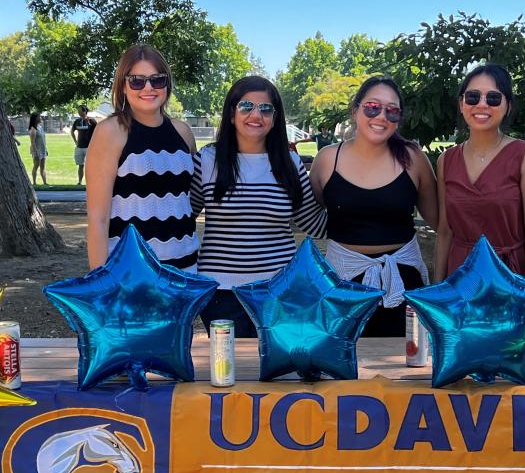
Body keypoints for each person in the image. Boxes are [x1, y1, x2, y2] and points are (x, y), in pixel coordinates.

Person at [190, 76, 327, 336]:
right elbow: (183, 218)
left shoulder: (290, 163)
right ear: (231, 114)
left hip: (280, 291)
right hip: (221, 294)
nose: (256, 115)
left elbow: (315, 224)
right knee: (230, 372)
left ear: (275, 118)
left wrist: (350, 195)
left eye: (265, 109)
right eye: (246, 107)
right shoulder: (207, 160)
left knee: (275, 373)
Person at [310, 75, 438, 336]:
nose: (381, 116)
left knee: (407, 366)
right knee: (344, 367)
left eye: (392, 111)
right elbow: (312, 214)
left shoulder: (414, 159)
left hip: (403, 280)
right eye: (372, 107)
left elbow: (442, 223)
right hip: (342, 281)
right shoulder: (327, 160)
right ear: (356, 110)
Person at [85, 44, 199, 272]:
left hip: (186, 270)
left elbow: (187, 202)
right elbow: (98, 219)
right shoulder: (110, 132)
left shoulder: (183, 132)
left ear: (167, 84)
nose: (148, 88)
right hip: (132, 274)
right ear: (123, 86)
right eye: (137, 80)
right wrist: (101, 283)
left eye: (157, 80)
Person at [434, 63, 525, 284]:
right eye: (473, 97)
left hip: (509, 278)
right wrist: (438, 289)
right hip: (460, 280)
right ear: (461, 103)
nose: (482, 104)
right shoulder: (446, 160)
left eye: (493, 98)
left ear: (507, 105)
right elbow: (445, 231)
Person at [71, 105, 97, 186]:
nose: (79, 112)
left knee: (89, 166)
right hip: (79, 147)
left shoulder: (91, 121)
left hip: (88, 147)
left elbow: (98, 131)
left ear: (85, 111)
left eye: (80, 110)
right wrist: (75, 141)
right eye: (78, 111)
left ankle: (90, 182)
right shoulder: (77, 121)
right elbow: (72, 131)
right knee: (80, 165)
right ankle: (79, 182)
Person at [28, 113, 47, 186]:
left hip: (43, 150)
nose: (41, 117)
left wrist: (45, 149)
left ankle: (45, 183)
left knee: (43, 166)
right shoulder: (33, 129)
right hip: (37, 150)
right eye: (39, 116)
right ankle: (34, 183)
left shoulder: (40, 127)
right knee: (36, 166)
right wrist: (36, 152)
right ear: (35, 118)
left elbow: (43, 139)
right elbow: (32, 142)